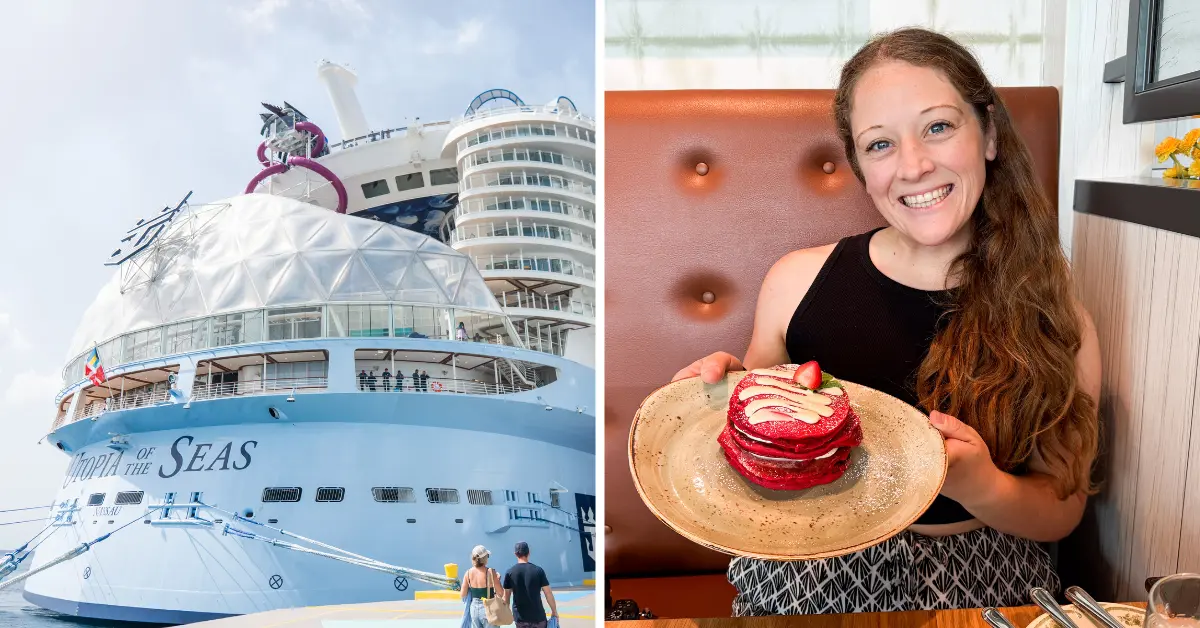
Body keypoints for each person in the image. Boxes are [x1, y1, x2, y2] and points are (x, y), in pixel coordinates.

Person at [671, 27, 1100, 615]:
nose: (915, 165)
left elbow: (1061, 509)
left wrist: (983, 486)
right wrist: (721, 396)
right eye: (880, 144)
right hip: (808, 555)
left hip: (983, 567)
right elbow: (758, 431)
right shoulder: (796, 282)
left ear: (990, 134)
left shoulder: (1056, 315)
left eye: (939, 127)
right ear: (860, 166)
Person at [502, 542, 557, 628]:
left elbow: (506, 598)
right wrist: (554, 611)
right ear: (529, 552)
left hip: (520, 619)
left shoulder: (509, 573)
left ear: (515, 554)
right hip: (538, 617)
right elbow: (548, 593)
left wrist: (505, 614)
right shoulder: (538, 571)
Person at [461, 545, 503, 628]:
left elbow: (463, 594)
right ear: (485, 558)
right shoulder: (490, 572)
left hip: (473, 609)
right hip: (488, 608)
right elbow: (501, 593)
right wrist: (497, 580)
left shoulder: (468, 573)